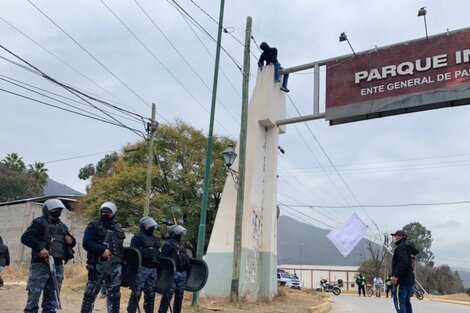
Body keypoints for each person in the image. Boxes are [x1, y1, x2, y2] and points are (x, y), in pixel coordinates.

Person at [21, 198, 76, 312]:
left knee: (53, 298)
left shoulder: (62, 226)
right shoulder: (39, 222)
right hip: (41, 264)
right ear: (47, 210)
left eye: (59, 209)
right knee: (34, 295)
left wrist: (71, 241)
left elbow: (72, 241)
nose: (57, 211)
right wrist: (40, 248)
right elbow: (26, 237)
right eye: (54, 209)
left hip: (57, 265)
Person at [81, 202, 125, 313]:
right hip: (97, 264)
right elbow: (86, 243)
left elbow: (120, 249)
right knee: (91, 292)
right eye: (103, 212)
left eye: (108, 212)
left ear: (113, 213)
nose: (105, 214)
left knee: (115, 294)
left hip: (115, 266)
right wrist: (101, 250)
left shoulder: (118, 229)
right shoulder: (93, 226)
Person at [127, 217, 161, 313]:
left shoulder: (154, 238)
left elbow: (158, 253)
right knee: (136, 293)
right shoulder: (137, 237)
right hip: (141, 268)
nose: (152, 228)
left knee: (151, 294)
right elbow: (132, 254)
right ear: (143, 226)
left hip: (152, 269)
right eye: (149, 226)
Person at [158, 225, 190, 313]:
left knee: (179, 297)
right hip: (171, 274)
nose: (180, 235)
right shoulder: (167, 244)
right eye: (178, 233)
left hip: (182, 274)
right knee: (167, 297)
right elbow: (163, 260)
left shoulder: (181, 245)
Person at [391, 230, 420, 313]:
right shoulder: (410, 248)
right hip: (409, 280)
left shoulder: (401, 247)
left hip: (401, 280)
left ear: (402, 236)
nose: (395, 237)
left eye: (397, 235)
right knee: (406, 302)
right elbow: (411, 264)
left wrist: (396, 275)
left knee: (400, 301)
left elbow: (403, 262)